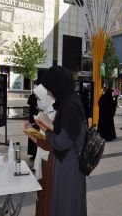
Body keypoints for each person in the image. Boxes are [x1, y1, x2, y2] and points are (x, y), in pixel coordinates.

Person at [37, 66, 87, 216]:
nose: (47, 92)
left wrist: (46, 131)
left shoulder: (69, 105)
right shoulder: (71, 100)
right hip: (70, 159)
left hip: (68, 162)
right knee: (70, 201)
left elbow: (63, 141)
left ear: (58, 85)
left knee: (66, 203)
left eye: (49, 87)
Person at [27, 87, 39, 160]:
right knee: (31, 134)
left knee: (35, 135)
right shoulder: (32, 96)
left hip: (37, 117)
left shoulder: (40, 98)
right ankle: (32, 153)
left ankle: (35, 154)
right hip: (32, 117)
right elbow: (29, 102)